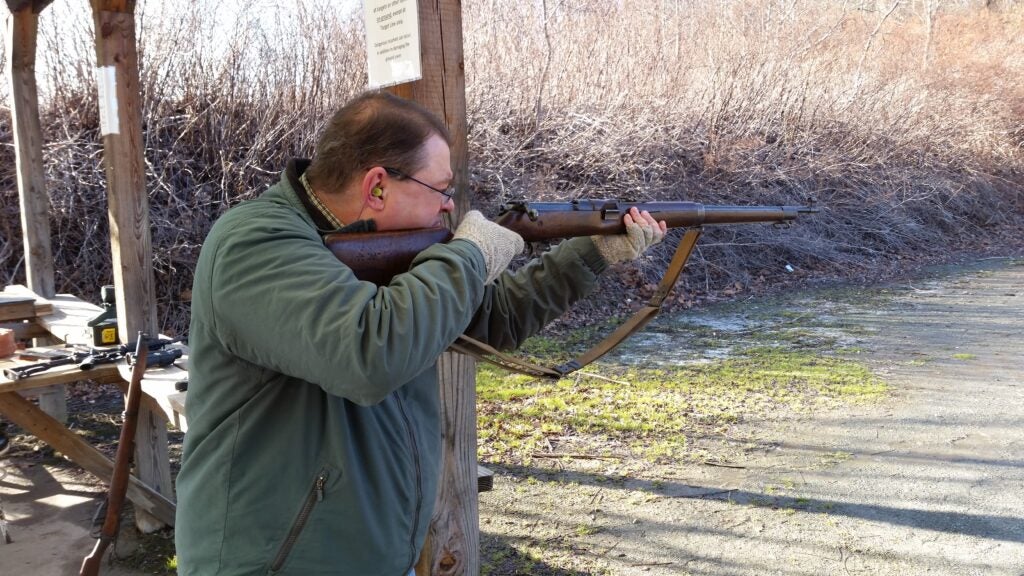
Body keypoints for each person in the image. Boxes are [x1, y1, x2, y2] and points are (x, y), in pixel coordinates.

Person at [174, 91, 666, 576]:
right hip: (272, 562)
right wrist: (470, 256)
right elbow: (371, 354)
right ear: (377, 187)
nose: (449, 208)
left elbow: (494, 319)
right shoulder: (255, 242)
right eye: (441, 189)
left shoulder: (382, 247)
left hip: (376, 557)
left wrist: (592, 253)